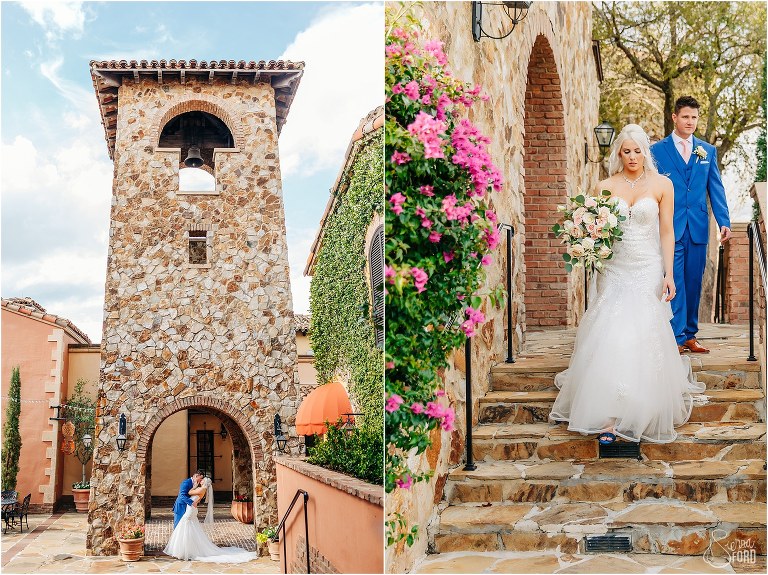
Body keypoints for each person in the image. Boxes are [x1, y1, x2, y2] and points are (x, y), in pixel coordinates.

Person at [549, 123, 706, 444]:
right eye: (626, 151)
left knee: (640, 331)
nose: (632, 156)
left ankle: (641, 409)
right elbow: (594, 228)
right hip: (614, 266)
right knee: (612, 331)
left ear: (645, 151)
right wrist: (588, 245)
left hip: (648, 265)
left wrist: (669, 273)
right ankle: (607, 416)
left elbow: (666, 232)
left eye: (637, 150)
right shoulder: (604, 185)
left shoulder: (663, 184)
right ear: (618, 153)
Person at [650, 96, 731, 354]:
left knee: (694, 282)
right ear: (674, 118)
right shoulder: (657, 151)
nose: (690, 122)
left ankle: (690, 336)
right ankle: (675, 335)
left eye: (694, 117)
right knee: (674, 283)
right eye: (685, 117)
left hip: (697, 228)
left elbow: (715, 188)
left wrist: (723, 221)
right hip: (669, 228)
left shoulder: (707, 151)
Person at [164, 476, 258, 563]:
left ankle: (185, 550)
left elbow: (189, 493)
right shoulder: (202, 489)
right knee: (190, 529)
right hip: (191, 509)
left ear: (205, 483)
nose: (201, 481)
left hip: (190, 510)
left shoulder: (201, 489)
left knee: (186, 527)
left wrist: (195, 486)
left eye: (202, 480)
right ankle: (185, 549)